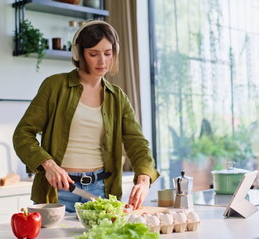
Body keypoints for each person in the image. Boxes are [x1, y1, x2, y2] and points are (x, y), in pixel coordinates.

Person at [13, 20, 159, 212]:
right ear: (78, 54)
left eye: (108, 53)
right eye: (93, 54)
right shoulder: (55, 86)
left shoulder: (117, 97)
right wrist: (48, 165)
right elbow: (23, 134)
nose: (102, 61)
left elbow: (137, 143)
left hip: (100, 192)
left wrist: (143, 179)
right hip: (57, 192)